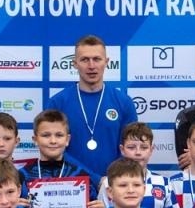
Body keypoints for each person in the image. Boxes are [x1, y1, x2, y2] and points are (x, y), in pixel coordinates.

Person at [48, 35, 137, 181]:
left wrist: (110, 180)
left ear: (106, 62)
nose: (91, 66)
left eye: (97, 59)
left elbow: (131, 148)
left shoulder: (123, 102)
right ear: (75, 64)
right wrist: (95, 179)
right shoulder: (58, 103)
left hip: (114, 184)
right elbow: (54, 150)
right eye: (84, 60)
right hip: (70, 185)